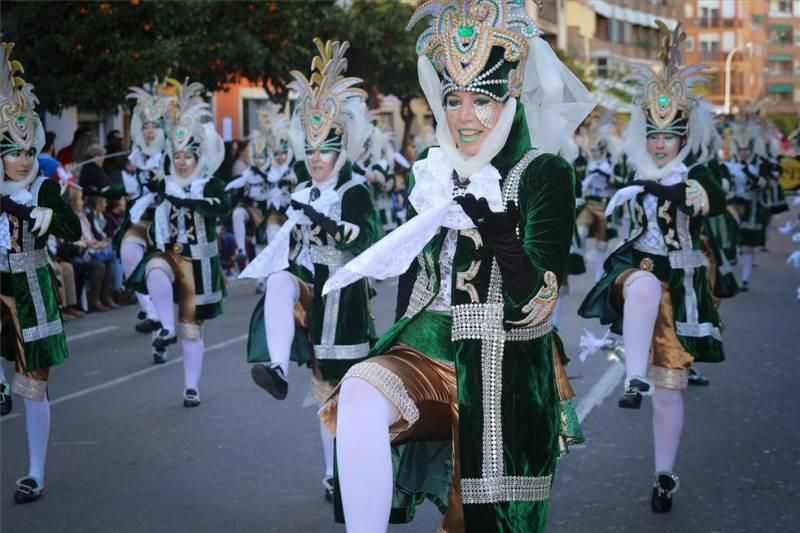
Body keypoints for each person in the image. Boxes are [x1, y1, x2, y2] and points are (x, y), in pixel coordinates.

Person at [317, 3, 594, 530]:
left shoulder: (543, 174)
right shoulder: (434, 169)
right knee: (358, 390)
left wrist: (500, 238)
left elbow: (538, 305)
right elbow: (413, 273)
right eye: (454, 100)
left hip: (504, 368)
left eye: (482, 101)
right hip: (426, 349)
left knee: (474, 521)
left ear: (511, 98)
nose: (464, 117)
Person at [578, 23, 725, 513]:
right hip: (640, 271)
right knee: (639, 285)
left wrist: (659, 189)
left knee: (671, 392)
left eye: (670, 135)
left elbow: (710, 202)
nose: (660, 145)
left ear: (685, 135)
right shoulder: (634, 166)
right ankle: (632, 375)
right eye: (654, 135)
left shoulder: (700, 171)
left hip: (682, 286)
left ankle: (665, 475)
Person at [240, 38, 379, 502]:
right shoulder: (302, 188)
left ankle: (350, 471)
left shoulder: (356, 191)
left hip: (346, 302)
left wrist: (326, 221)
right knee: (280, 281)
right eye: (311, 149)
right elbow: (289, 250)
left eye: (325, 150)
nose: (316, 157)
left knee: (341, 394)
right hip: (312, 294)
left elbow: (369, 242)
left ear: (341, 150)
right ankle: (277, 366)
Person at [0, 42, 82, 503]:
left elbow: (70, 226)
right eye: (15, 151)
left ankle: (34, 472)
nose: (25, 160)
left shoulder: (44, 189)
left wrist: (50, 217)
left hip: (32, 288)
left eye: (30, 150)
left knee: (34, 386)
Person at [126, 78, 229, 406]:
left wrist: (188, 201)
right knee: (154, 267)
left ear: (198, 157)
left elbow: (221, 207)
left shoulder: (210, 185)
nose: (183, 162)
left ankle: (191, 387)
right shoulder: (165, 183)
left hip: (199, 266)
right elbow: (142, 203)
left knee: (192, 328)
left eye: (188, 156)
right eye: (178, 156)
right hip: (171, 255)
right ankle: (163, 325)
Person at [119, 80, 172, 359]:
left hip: (169, 224)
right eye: (146, 126)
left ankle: (162, 337)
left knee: (160, 277)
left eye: (155, 126)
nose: (150, 131)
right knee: (127, 252)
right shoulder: (136, 157)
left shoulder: (173, 156)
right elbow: (131, 191)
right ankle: (151, 313)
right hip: (143, 222)